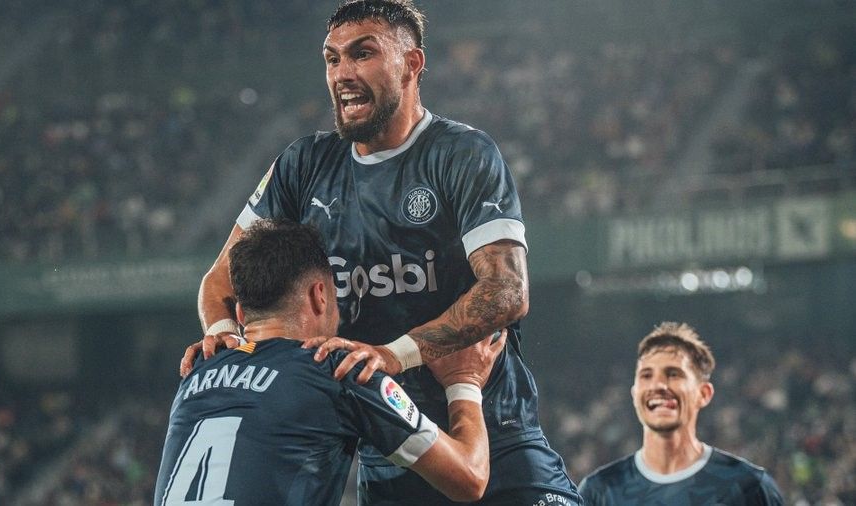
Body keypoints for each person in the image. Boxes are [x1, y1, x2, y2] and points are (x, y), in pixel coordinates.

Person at [182, 1, 581, 504]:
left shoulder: (461, 154)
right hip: (389, 454)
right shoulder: (303, 165)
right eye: (332, 59)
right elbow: (220, 282)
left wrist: (395, 355)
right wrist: (222, 336)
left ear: (412, 64)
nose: (342, 74)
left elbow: (506, 290)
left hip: (496, 436)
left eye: (362, 54)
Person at [156, 220, 505, 505]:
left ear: (242, 313)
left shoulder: (198, 368)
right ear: (319, 295)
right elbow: (469, 478)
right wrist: (465, 382)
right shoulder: (337, 367)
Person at [578, 322, 784, 505]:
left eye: (673, 374)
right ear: (634, 394)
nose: (658, 385)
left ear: (704, 394)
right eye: (646, 375)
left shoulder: (750, 488)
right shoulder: (599, 492)